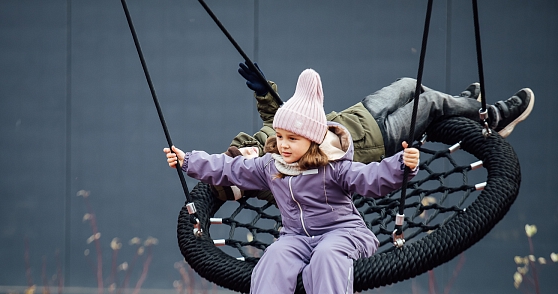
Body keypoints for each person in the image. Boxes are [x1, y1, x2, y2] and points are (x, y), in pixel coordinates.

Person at [164, 69, 420, 294]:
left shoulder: (334, 168)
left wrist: (403, 165)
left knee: (327, 254)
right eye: (281, 136)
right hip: (296, 237)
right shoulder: (270, 166)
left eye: (292, 139)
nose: (283, 144)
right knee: (275, 256)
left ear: (311, 140)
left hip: (343, 232)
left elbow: (371, 179)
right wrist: (188, 161)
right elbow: (229, 169)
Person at [210, 61, 534, 203]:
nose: (250, 153)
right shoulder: (277, 177)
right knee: (431, 104)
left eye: (244, 150)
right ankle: (492, 117)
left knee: (410, 84)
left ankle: (463, 104)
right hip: (379, 142)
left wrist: (263, 90)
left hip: (358, 115)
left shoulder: (270, 141)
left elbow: (276, 115)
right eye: (243, 161)